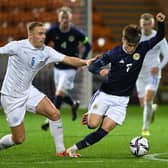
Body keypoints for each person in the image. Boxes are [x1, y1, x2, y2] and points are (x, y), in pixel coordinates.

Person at [66, 12, 165, 157]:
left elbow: (159, 37)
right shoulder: (113, 54)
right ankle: (94, 113)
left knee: (103, 131)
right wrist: (101, 72)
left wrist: (161, 23)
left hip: (121, 101)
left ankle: (73, 149)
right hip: (105, 94)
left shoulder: (142, 48)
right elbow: (91, 67)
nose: (131, 48)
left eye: (134, 45)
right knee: (92, 125)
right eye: (128, 44)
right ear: (123, 39)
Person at [0, 22, 95, 157]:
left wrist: (85, 62)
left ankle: (61, 151)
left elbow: (68, 59)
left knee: (54, 114)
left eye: (44, 33)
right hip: (11, 97)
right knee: (19, 139)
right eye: (40, 33)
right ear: (30, 35)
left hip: (28, 91)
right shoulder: (17, 47)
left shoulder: (46, 51)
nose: (44, 36)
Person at [41, 6, 91, 131]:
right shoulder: (52, 31)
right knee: (61, 93)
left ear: (70, 18)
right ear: (59, 18)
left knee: (58, 92)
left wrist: (82, 61)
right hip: (57, 66)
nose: (64, 19)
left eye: (66, 17)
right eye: (62, 17)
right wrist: (47, 58)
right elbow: (44, 44)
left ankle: (50, 119)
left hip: (71, 67)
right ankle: (73, 104)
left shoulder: (76, 32)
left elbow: (88, 45)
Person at [136, 13, 168, 137]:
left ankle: (145, 128)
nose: (146, 27)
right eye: (144, 24)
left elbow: (167, 55)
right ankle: (152, 108)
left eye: (149, 24)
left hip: (153, 74)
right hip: (140, 75)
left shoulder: (158, 37)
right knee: (143, 105)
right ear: (140, 24)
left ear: (153, 24)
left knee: (148, 98)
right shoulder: (137, 37)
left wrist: (158, 67)